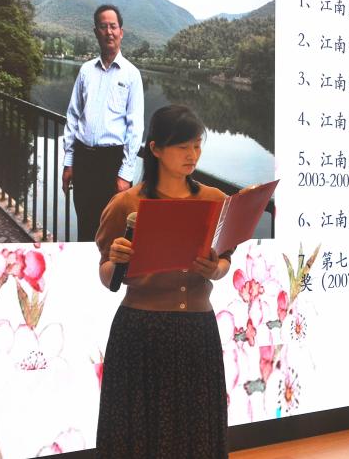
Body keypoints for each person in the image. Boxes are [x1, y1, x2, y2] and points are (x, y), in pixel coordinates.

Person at [95, 104, 231, 458]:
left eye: (197, 146)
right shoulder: (126, 203)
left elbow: (224, 264)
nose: (192, 155)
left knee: (195, 427)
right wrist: (116, 261)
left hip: (197, 329)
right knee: (140, 431)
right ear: (155, 149)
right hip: (141, 330)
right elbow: (107, 275)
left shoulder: (215, 201)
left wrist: (213, 268)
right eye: (182, 147)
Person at [62, 4, 144, 242]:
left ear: (121, 32)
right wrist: (69, 162)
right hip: (83, 159)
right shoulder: (86, 71)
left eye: (113, 26)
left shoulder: (131, 74)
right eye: (103, 26)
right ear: (95, 31)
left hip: (112, 163)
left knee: (112, 232)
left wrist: (125, 174)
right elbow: (73, 116)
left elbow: (135, 128)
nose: (109, 32)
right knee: (85, 226)